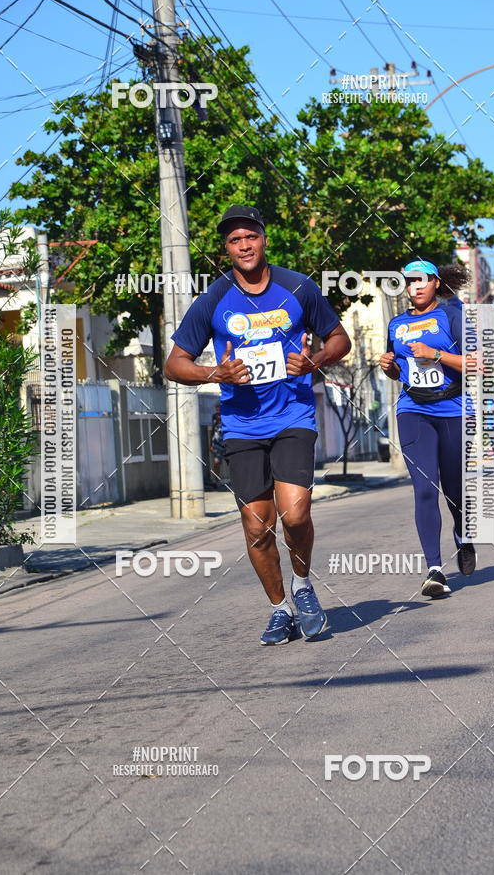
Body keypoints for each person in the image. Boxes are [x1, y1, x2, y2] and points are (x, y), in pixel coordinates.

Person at [164, 204, 351, 644]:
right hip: (242, 425)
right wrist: (216, 373)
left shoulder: (298, 288)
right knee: (256, 526)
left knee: (296, 511)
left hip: (292, 416)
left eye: (250, 236)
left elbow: (339, 337)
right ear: (226, 249)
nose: (244, 245)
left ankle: (303, 587)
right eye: (234, 240)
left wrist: (315, 359)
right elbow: (174, 364)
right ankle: (279, 608)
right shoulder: (212, 299)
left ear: (264, 239)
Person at [380, 259, 476, 598]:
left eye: (423, 280)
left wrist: (435, 353)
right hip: (412, 410)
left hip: (452, 409)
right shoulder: (396, 324)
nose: (416, 287)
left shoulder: (453, 316)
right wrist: (389, 366)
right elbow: (397, 371)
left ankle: (464, 535)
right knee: (424, 487)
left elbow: (477, 363)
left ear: (437, 283)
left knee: (454, 488)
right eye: (410, 282)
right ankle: (435, 569)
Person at [209, 403, 225, 488]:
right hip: (216, 442)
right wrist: (211, 444)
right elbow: (212, 429)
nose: (218, 409)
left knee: (228, 461)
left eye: (219, 407)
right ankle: (216, 480)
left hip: (225, 441)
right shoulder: (214, 416)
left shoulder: (226, 415)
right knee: (216, 462)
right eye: (216, 407)